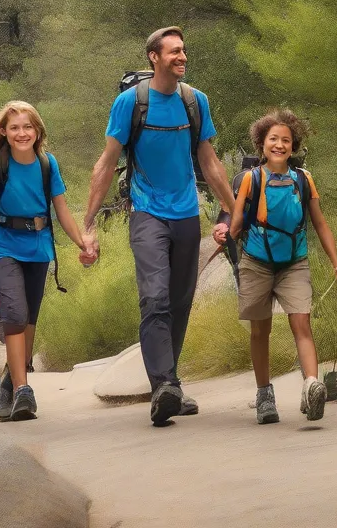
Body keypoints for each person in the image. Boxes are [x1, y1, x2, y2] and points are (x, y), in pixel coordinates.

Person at [83, 26, 237, 426]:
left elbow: (210, 161)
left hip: (186, 212)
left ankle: (170, 385)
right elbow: (105, 163)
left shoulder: (195, 102)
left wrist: (233, 210)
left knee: (181, 300)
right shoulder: (130, 103)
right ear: (154, 57)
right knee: (155, 297)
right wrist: (88, 224)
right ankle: (164, 384)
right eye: (174, 52)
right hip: (147, 212)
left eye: (184, 51)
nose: (182, 57)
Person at [0, 101, 95, 422]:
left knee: (29, 319)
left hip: (39, 248)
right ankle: (23, 389)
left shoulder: (48, 165)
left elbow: (61, 210)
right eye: (15, 127)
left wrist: (82, 242)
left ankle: (8, 380)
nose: (22, 133)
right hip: (6, 245)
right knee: (15, 314)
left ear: (38, 131)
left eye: (27, 127)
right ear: (4, 132)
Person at [216, 109, 337, 424]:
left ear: (294, 145)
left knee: (301, 322)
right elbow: (235, 224)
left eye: (285, 140)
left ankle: (311, 387)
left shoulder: (303, 180)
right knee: (260, 330)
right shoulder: (250, 179)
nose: (279, 144)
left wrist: (336, 263)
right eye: (273, 139)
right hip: (256, 264)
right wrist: (224, 235)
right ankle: (264, 394)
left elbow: (320, 224)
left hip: (294, 263)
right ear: (261, 144)